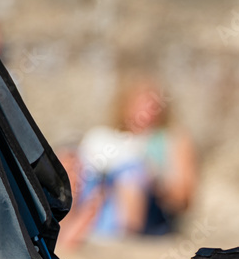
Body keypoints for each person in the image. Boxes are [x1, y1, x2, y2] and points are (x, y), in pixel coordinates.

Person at [59, 75, 198, 249]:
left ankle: (125, 236)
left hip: (150, 209)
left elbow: (183, 201)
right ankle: (67, 226)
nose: (147, 110)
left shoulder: (171, 140)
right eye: (141, 103)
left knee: (131, 171)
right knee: (70, 159)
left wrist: (154, 178)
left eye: (153, 105)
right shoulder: (110, 137)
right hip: (102, 195)